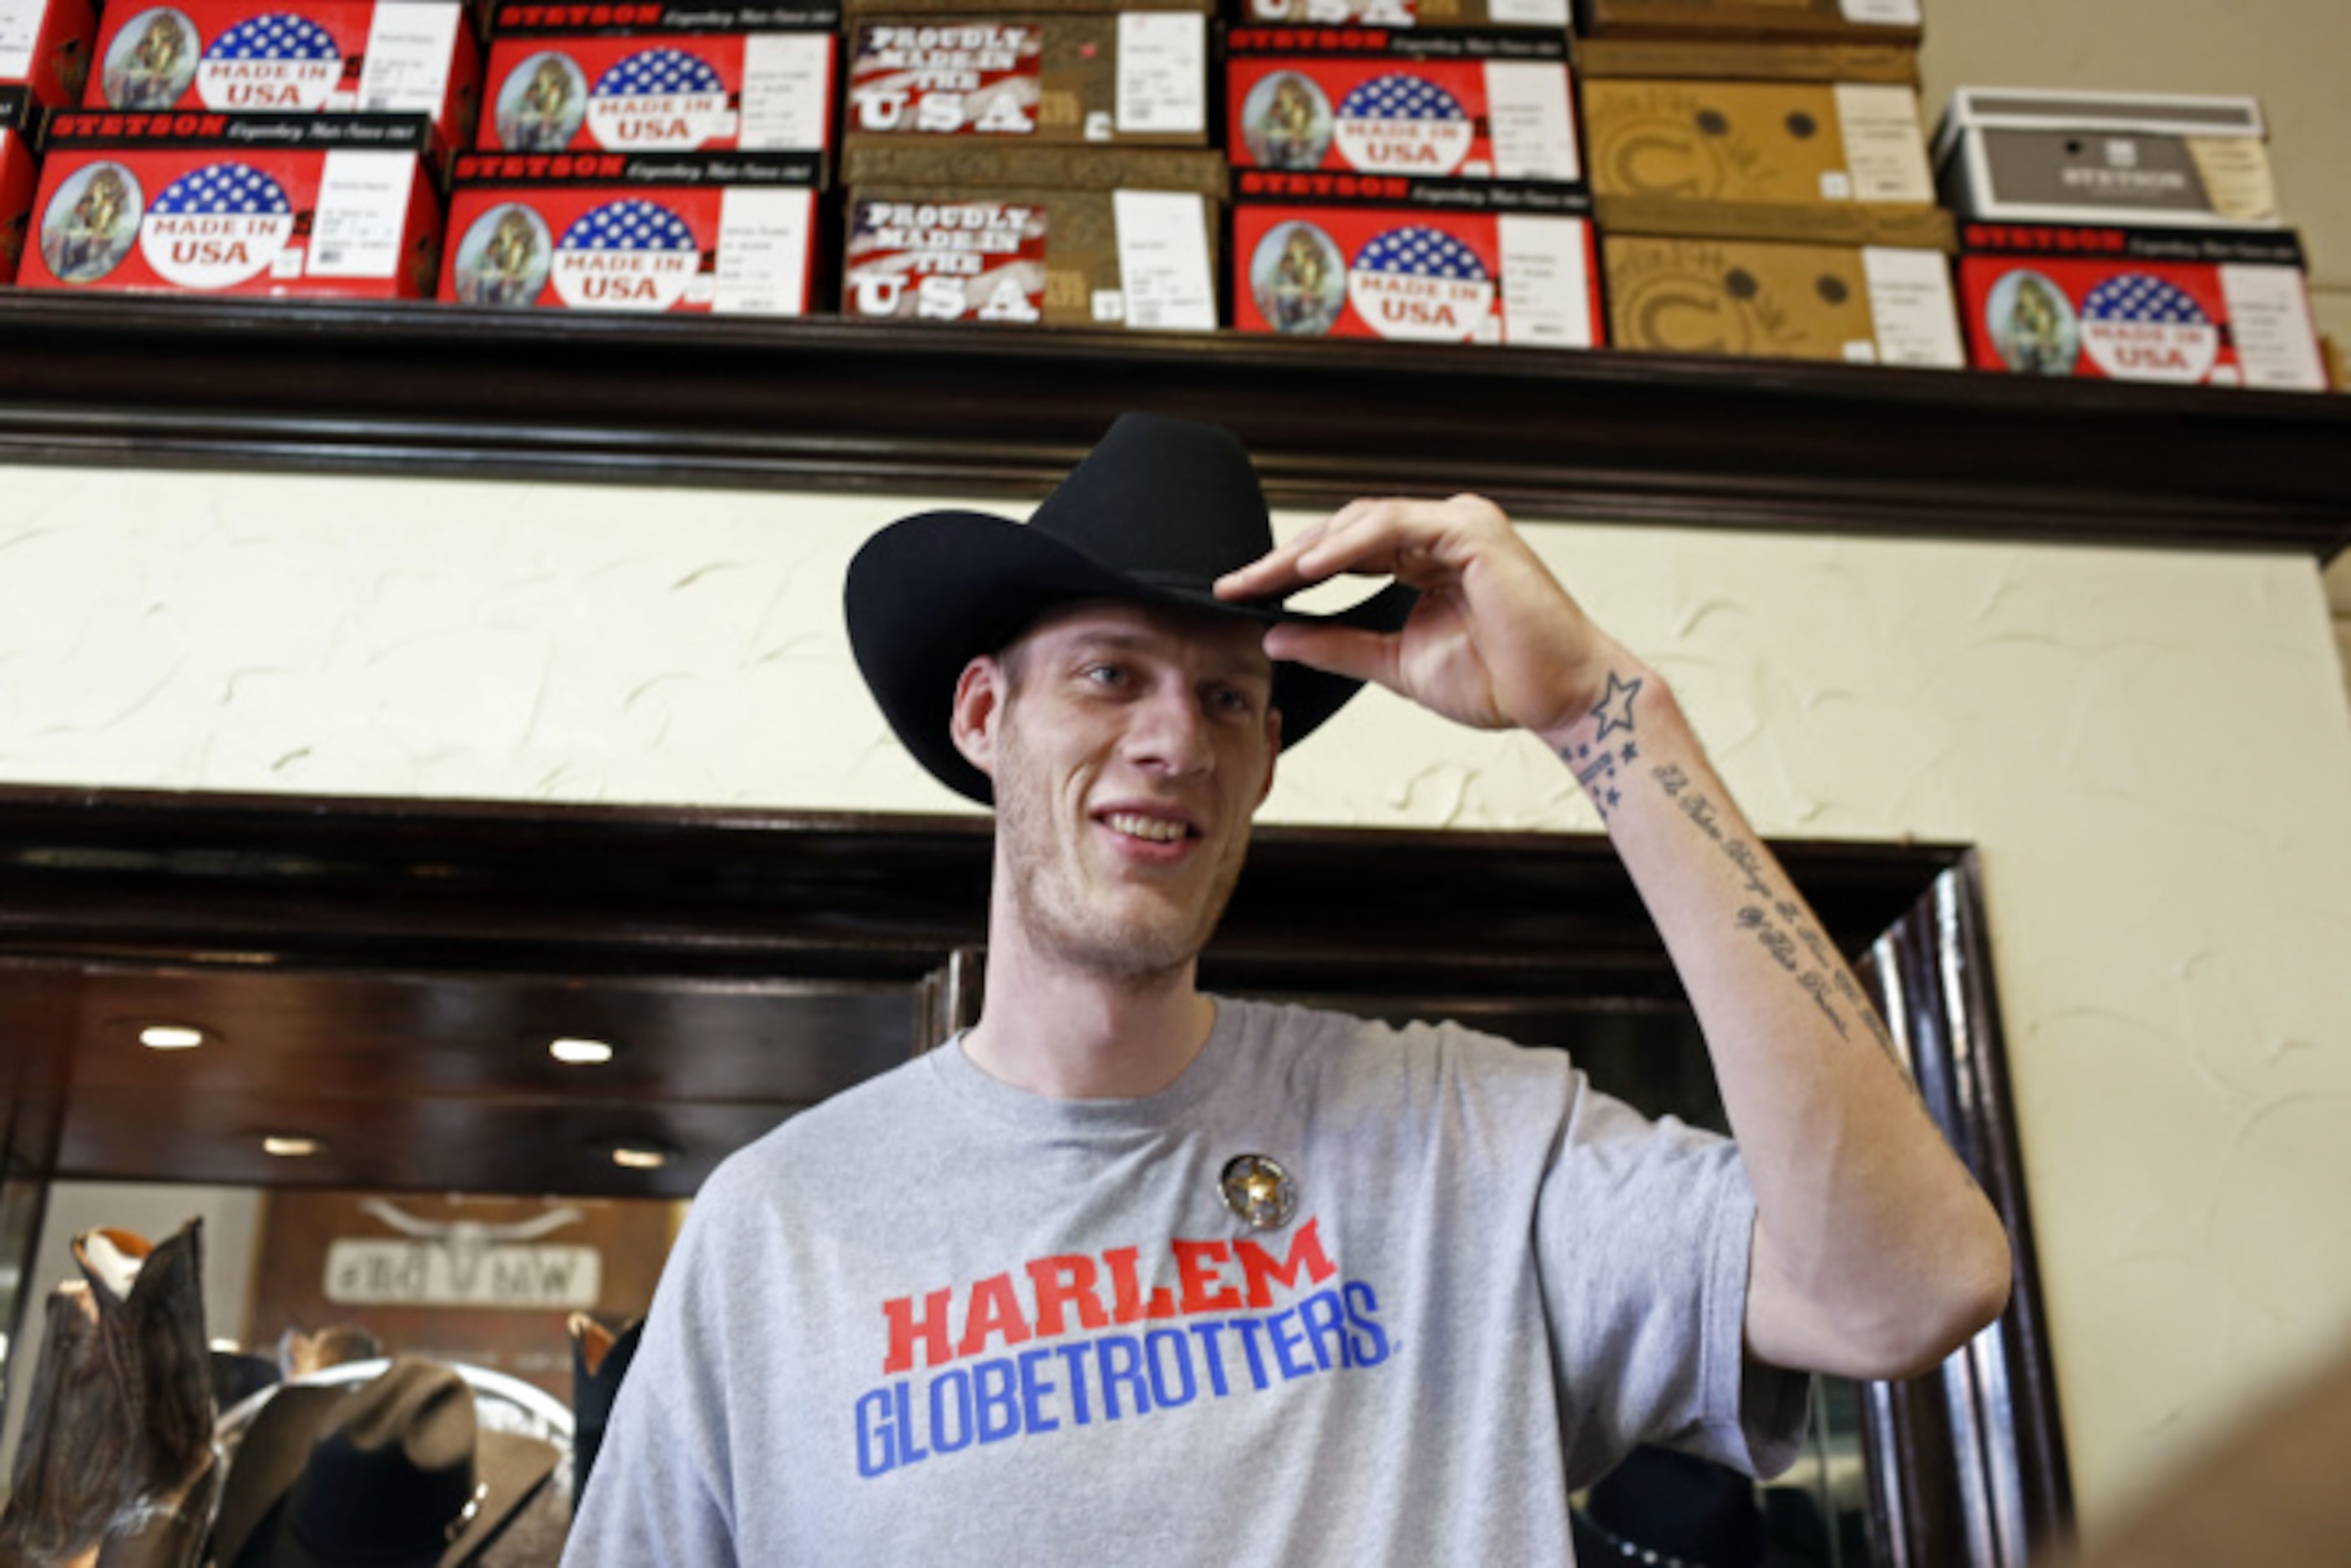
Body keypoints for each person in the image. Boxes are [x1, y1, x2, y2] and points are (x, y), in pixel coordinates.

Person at [561, 413, 2013, 1565]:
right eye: (1112, 676)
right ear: (986, 714)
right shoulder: (776, 1227)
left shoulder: (1469, 1141)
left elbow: (1909, 1288)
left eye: (1229, 696)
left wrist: (1602, 714)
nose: (1174, 741)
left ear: (1262, 761)